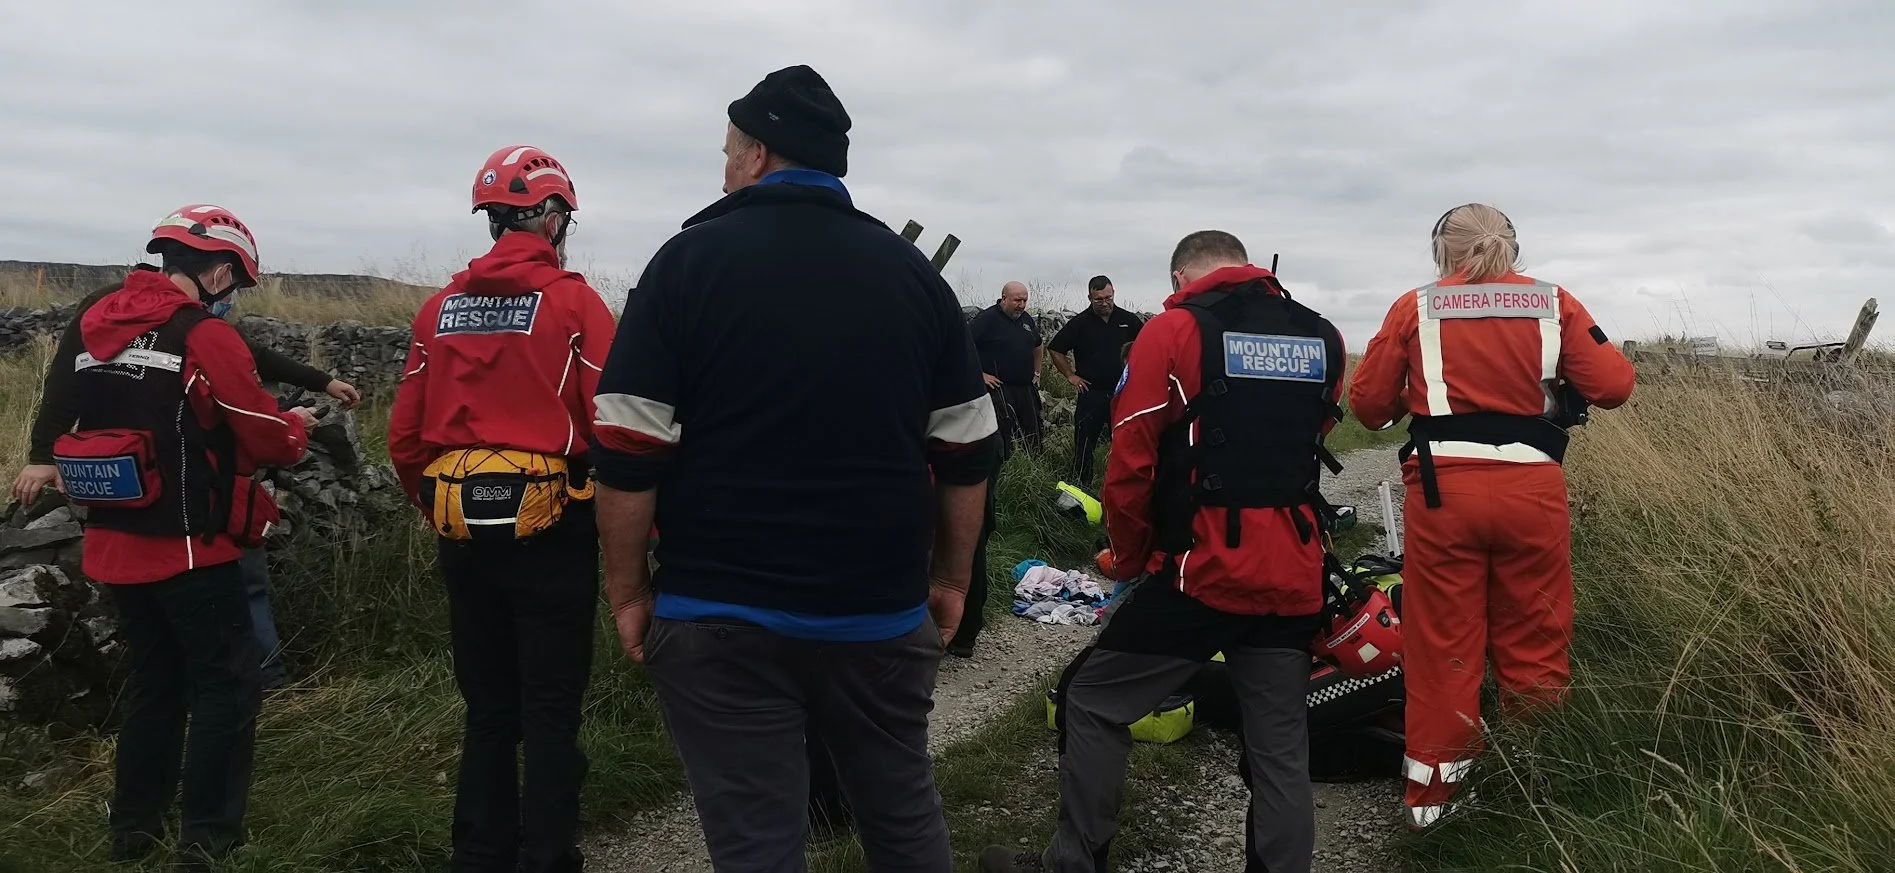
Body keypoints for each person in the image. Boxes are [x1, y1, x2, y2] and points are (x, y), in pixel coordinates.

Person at [589, 64, 997, 873]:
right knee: (902, 811)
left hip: (718, 610)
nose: (724, 165)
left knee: (754, 843)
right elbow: (966, 451)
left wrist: (629, 589)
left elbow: (628, 450)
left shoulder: (685, 263)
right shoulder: (914, 277)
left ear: (756, 154)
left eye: (727, 149)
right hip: (877, 611)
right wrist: (950, 581)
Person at [982, 230, 1344, 873]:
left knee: (1091, 699)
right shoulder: (1324, 337)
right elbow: (1306, 441)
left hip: (1200, 570)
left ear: (1182, 277)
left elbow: (1130, 467)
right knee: (1281, 742)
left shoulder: (1174, 332)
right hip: (1294, 567)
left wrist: (1129, 559)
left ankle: (1075, 861)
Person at [1346, 203, 1636, 830]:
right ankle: (1536, 786)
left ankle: (1435, 804)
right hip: (1533, 491)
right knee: (1536, 634)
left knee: (1443, 643)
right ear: (1513, 246)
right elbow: (1614, 385)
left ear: (1441, 252)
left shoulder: (1415, 307)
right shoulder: (1555, 303)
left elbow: (1367, 406)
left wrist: (1412, 396)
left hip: (1443, 493)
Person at [47, 205, 314, 868]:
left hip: (112, 538)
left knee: (153, 683)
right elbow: (260, 431)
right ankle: (207, 840)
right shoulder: (202, 334)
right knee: (227, 686)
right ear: (220, 269)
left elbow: (62, 402)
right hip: (193, 546)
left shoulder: (95, 326)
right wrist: (298, 427)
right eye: (237, 282)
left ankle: (133, 834)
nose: (233, 295)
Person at [386, 145, 617, 873]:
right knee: (549, 705)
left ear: (491, 220)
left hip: (462, 531)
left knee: (488, 708)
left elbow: (404, 437)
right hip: (554, 525)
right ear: (551, 218)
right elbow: (612, 423)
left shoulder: (438, 308)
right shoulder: (577, 304)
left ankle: (478, 854)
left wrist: (442, 512)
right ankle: (548, 855)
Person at [13, 277, 358, 693]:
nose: (229, 301)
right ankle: (259, 681)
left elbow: (253, 355)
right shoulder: (169, 319)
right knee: (225, 662)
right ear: (217, 275)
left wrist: (320, 380)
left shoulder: (165, 318)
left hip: (133, 502)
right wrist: (41, 453)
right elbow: (64, 377)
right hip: (191, 499)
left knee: (158, 676)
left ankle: (242, 681)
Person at [1047, 275, 1143, 485]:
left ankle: (1123, 484)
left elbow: (1147, 346)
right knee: (1084, 443)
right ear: (1089, 298)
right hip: (1091, 393)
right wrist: (1070, 376)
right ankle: (1080, 486)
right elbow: (1055, 348)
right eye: (1098, 299)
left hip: (1123, 392)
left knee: (1125, 442)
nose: (1104, 303)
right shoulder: (1080, 323)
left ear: (1113, 293)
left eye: (1108, 297)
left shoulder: (1129, 320)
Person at [970, 280, 1044, 454]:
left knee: (1033, 433)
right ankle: (1004, 471)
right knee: (1003, 436)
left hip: (1025, 388)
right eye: (1017, 300)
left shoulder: (1026, 319)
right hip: (998, 388)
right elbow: (962, 346)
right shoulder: (987, 319)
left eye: (1025, 300)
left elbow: (1038, 345)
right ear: (1004, 298)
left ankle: (1033, 470)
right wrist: (979, 374)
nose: (1022, 305)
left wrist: (1037, 372)